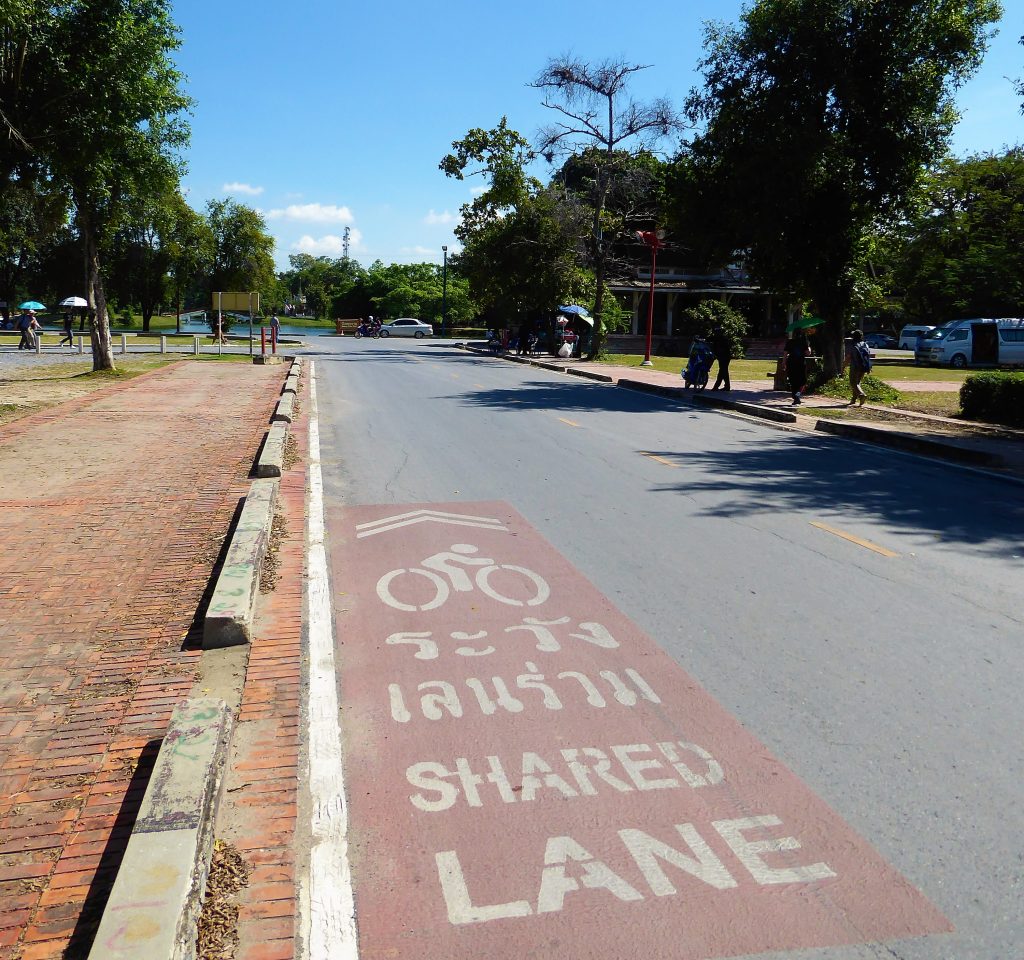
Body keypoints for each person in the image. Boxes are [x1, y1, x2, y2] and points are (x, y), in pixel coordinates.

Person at [785, 329, 810, 404]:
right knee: (802, 381)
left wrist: (784, 363)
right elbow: (808, 353)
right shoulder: (804, 342)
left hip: (791, 363)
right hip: (800, 363)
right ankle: (797, 395)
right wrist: (809, 347)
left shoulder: (790, 342)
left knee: (793, 380)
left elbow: (785, 353)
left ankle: (795, 395)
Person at [848, 329, 871, 406]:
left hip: (855, 366)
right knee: (857, 383)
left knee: (853, 383)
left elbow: (849, 357)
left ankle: (862, 395)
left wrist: (843, 366)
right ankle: (853, 400)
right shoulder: (865, 344)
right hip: (864, 366)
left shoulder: (853, 345)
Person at [710, 325, 732, 391]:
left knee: (723, 371)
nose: (716, 333)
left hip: (725, 357)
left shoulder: (723, 339)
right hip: (721, 357)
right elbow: (709, 340)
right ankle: (726, 386)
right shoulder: (716, 338)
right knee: (723, 371)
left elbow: (723, 349)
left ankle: (717, 386)